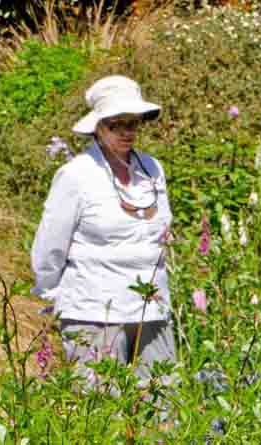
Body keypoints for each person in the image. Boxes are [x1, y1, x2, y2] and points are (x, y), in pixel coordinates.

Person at [31, 75, 175, 379]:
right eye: (116, 124)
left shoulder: (152, 169)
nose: (127, 132)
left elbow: (161, 230)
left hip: (152, 308)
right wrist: (52, 296)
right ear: (98, 126)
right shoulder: (76, 175)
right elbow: (50, 246)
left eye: (133, 123)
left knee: (163, 405)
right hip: (93, 310)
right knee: (101, 411)